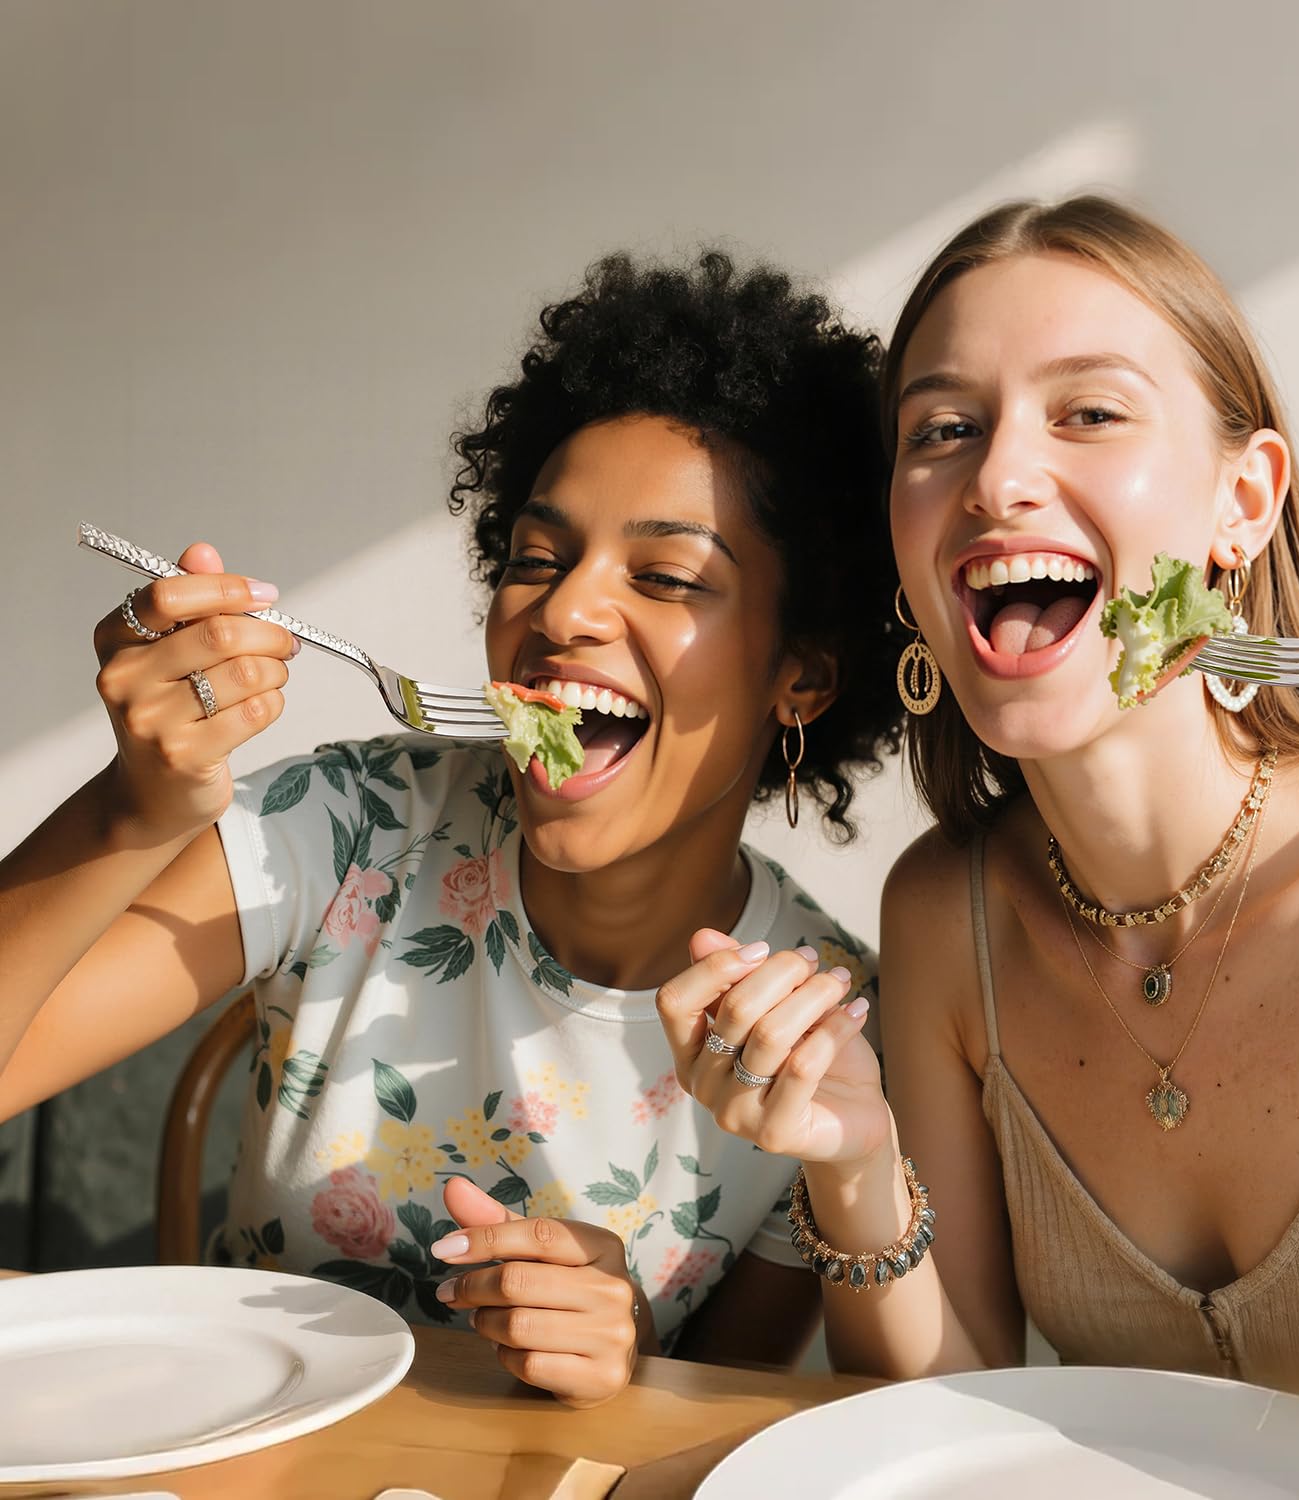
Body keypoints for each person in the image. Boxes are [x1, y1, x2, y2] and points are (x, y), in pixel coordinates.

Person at [0, 250, 901, 1408]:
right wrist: (131, 812)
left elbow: (723, 1408)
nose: (564, 608)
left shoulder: (814, 1022)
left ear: (806, 676)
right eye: (537, 558)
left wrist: (625, 1354)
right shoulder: (353, 828)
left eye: (669, 576)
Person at [658, 196, 1299, 1426]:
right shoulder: (951, 915)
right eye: (941, 429)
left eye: (1089, 414)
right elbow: (950, 1416)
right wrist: (853, 1160)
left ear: (1243, 500)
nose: (997, 478)